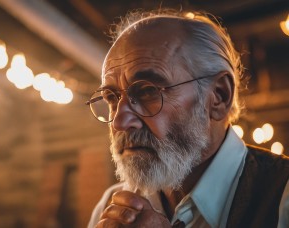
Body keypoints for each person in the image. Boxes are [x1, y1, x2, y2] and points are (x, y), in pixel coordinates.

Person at [86, 9, 289, 228]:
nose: (119, 122)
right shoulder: (110, 206)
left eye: (147, 91)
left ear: (218, 97)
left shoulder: (282, 195)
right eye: (111, 97)